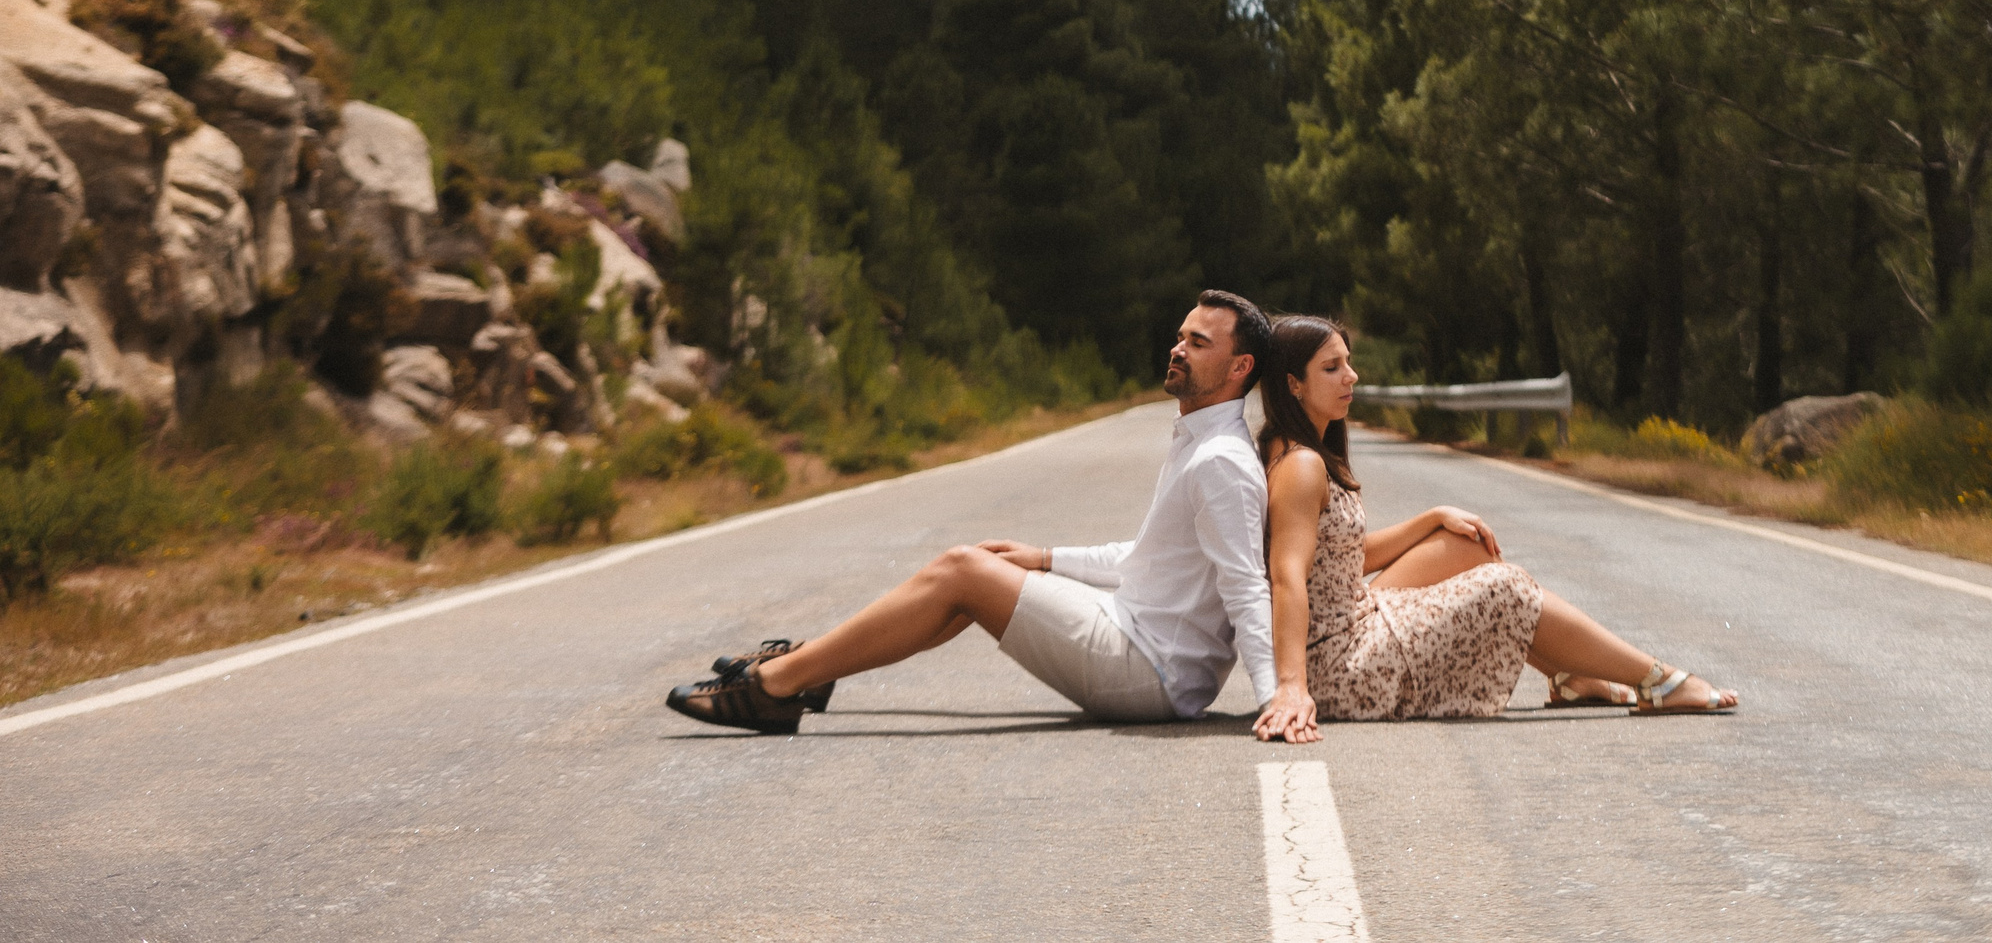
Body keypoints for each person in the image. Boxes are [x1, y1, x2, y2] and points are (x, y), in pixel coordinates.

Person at [666, 290, 1280, 733]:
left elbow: (1246, 588)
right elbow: (1151, 558)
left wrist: (1274, 697)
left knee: (964, 571)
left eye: (1197, 344)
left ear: (1239, 367)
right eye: (1180, 336)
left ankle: (777, 686)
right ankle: (812, 666)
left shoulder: (1219, 459)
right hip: (1133, 631)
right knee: (979, 568)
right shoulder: (1200, 442)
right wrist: (1042, 559)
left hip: (1153, 671)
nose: (1177, 349)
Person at [1252, 315, 1739, 743]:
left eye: (1348, 362)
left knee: (1462, 542)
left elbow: (1340, 557)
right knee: (1504, 586)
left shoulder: (1301, 447)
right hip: (1341, 668)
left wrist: (1431, 517)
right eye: (1332, 368)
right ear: (1294, 385)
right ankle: (1660, 680)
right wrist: (1293, 686)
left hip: (1350, 622)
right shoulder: (1301, 466)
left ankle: (1572, 676)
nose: (1351, 377)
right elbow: (1288, 577)